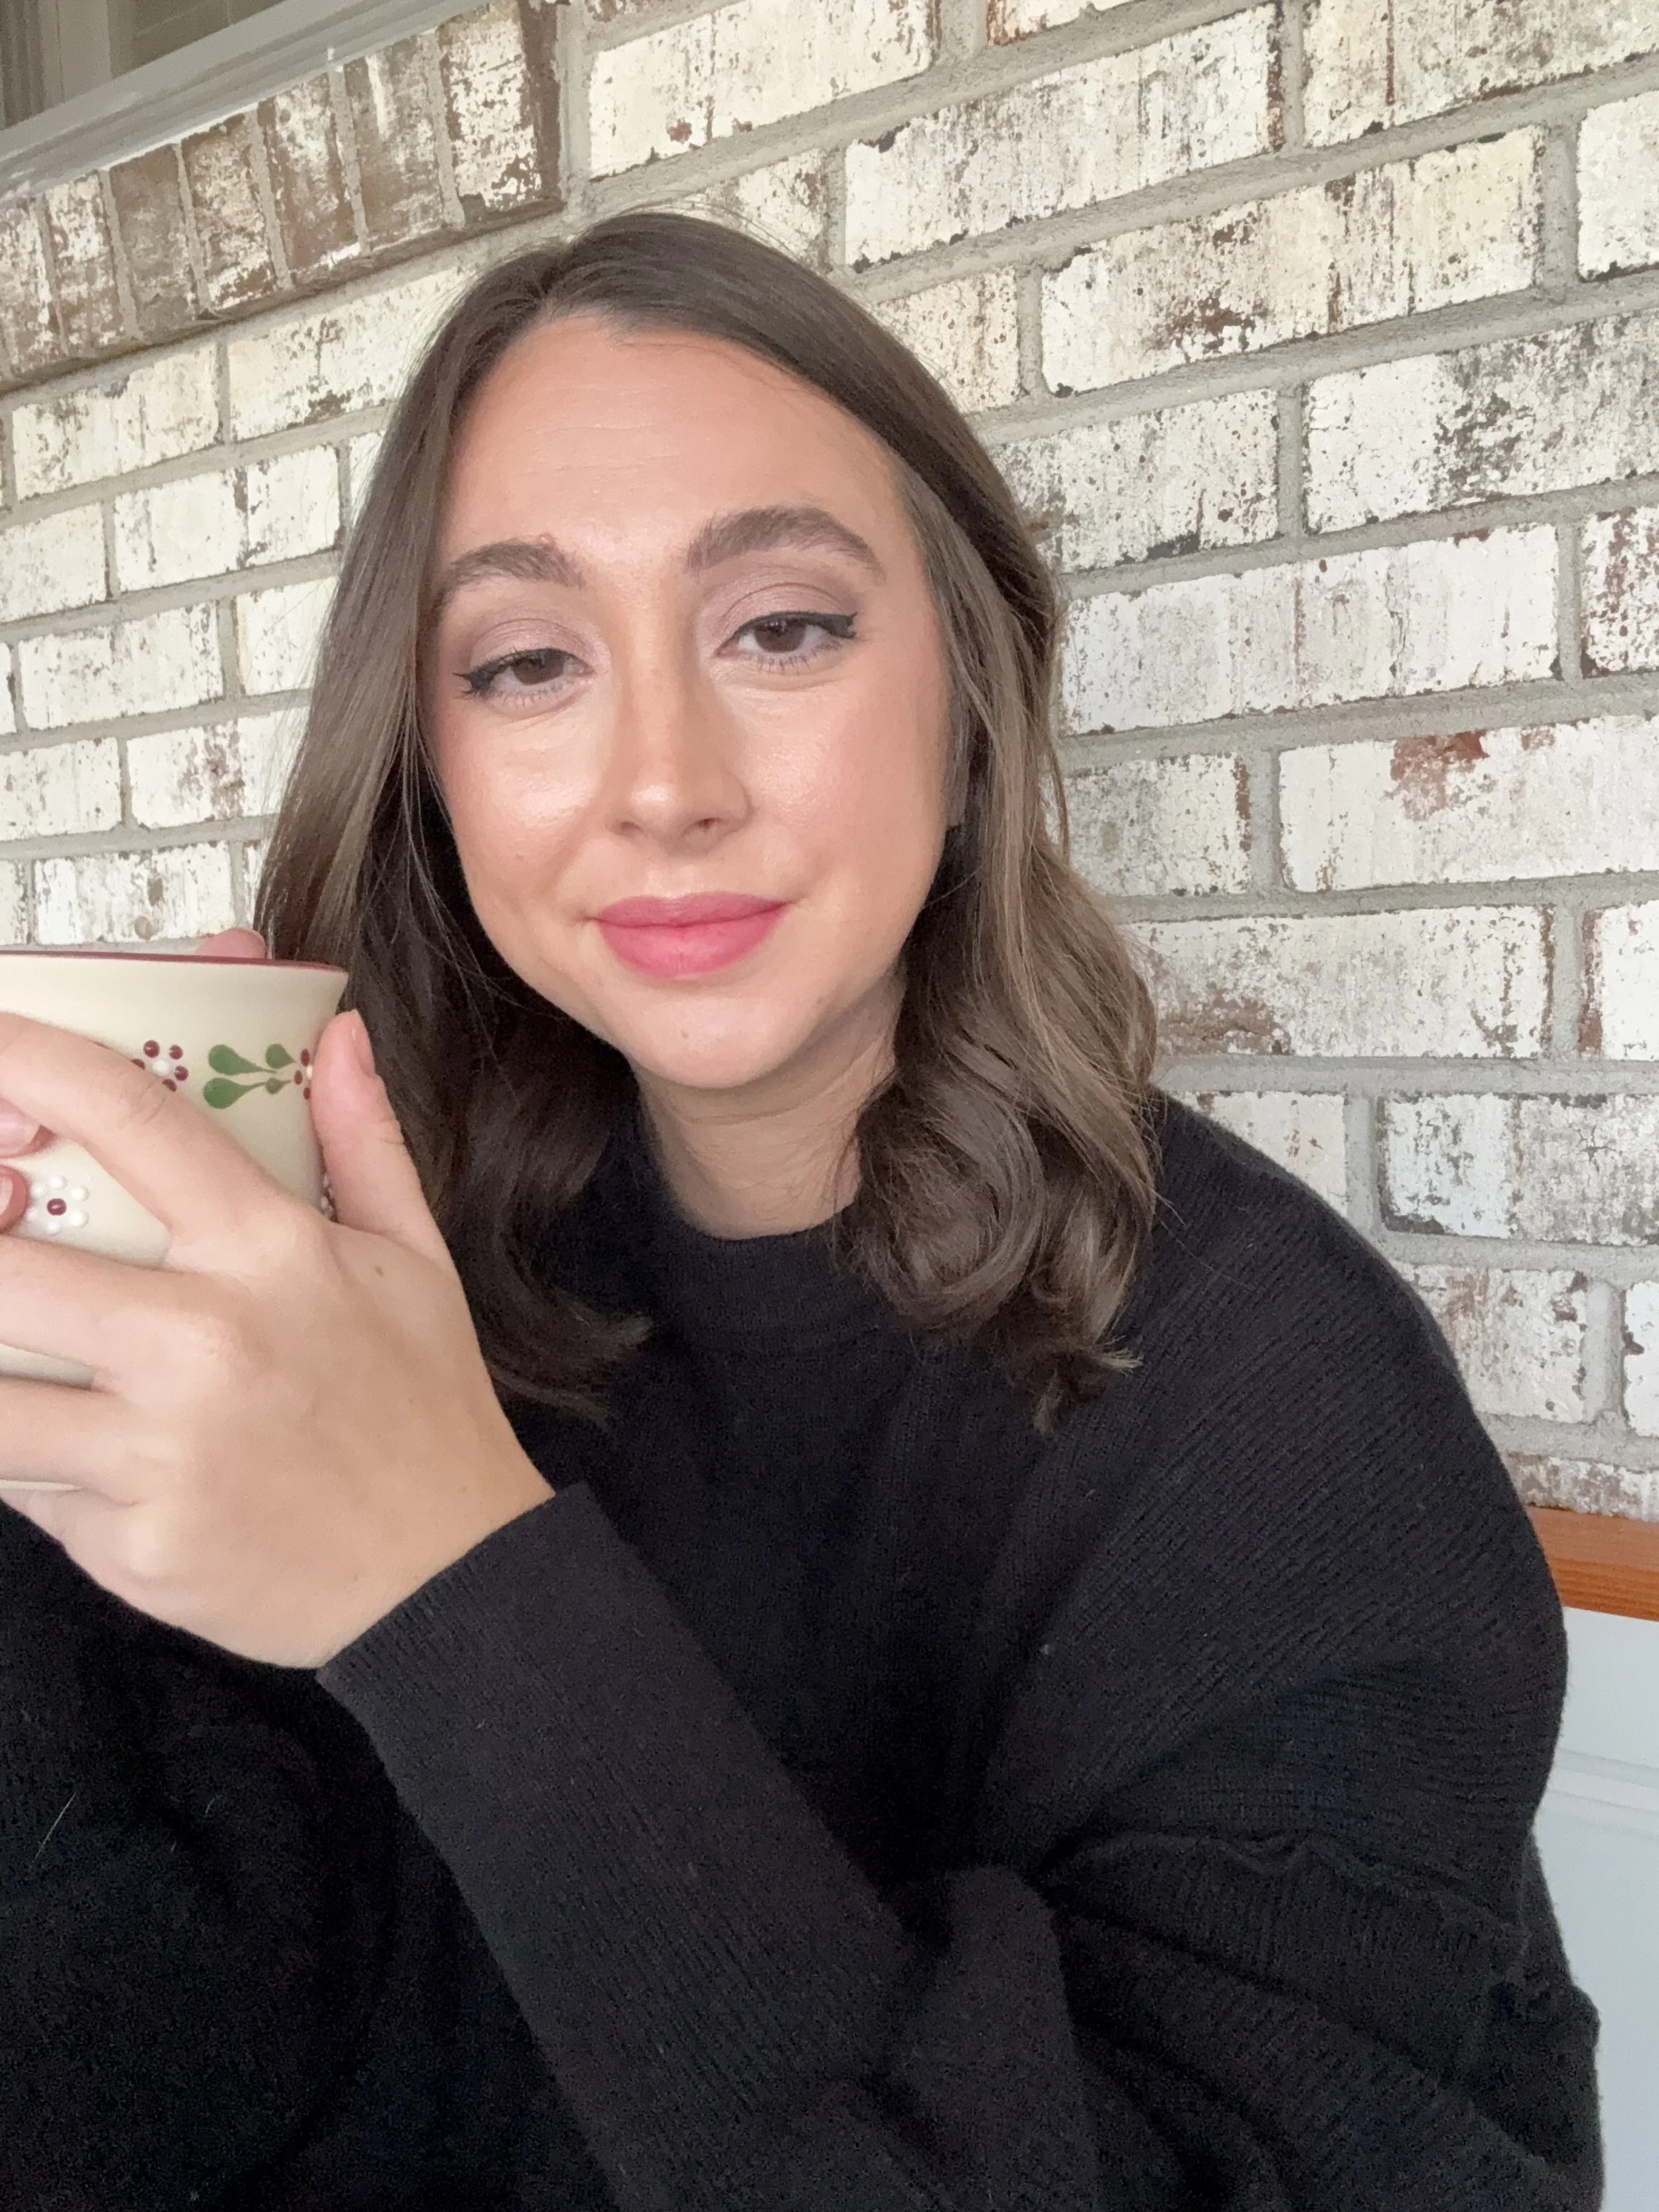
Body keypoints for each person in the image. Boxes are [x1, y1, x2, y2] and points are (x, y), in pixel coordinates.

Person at [0, 214, 1601, 2210]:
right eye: (525, 663)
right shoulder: (389, 1297)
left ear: (972, 703)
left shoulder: (1281, 1409)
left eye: (782, 628)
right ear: (430, 769)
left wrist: (445, 1587)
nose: (660, 781)